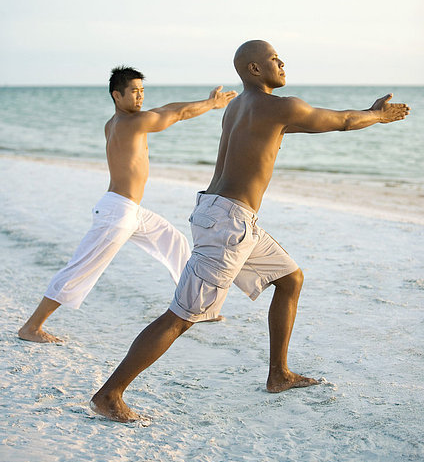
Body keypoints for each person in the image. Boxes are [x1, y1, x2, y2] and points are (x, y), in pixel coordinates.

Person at [90, 41, 410, 422]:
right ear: (254, 69)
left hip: (226, 216)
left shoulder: (238, 107)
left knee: (290, 279)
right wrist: (377, 115)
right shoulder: (280, 107)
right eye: (275, 59)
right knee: (181, 316)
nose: (282, 62)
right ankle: (110, 393)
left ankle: (279, 373)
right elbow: (340, 121)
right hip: (229, 224)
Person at [18, 66, 237, 343]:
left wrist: (204, 103)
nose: (140, 97)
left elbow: (166, 107)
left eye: (142, 91)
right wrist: (211, 104)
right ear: (116, 95)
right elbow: (177, 114)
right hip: (117, 213)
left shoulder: (117, 123)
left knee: (174, 241)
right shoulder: (131, 123)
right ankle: (32, 327)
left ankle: (199, 307)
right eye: (134, 92)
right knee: (80, 269)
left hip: (130, 211)